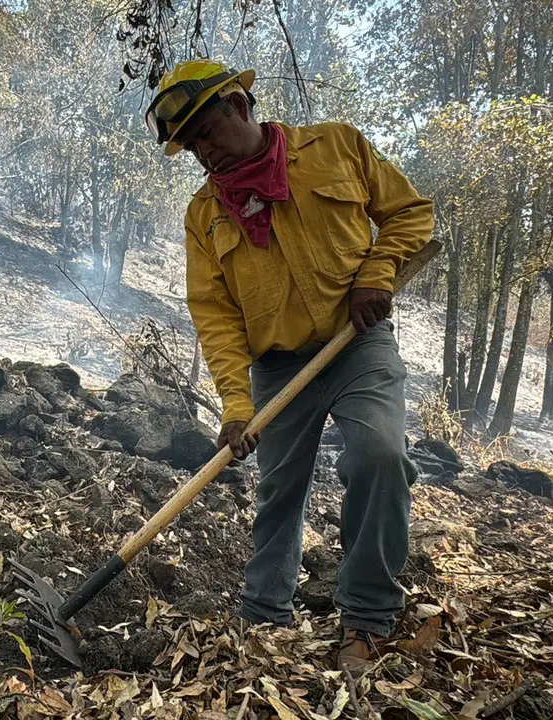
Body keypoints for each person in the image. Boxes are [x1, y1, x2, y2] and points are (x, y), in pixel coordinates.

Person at [145, 59, 434, 674]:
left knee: (380, 455)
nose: (203, 152)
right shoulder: (206, 215)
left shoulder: (336, 147)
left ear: (242, 108)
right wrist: (236, 405)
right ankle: (263, 613)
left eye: (207, 132)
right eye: (191, 143)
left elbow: (410, 213)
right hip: (278, 366)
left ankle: (365, 618)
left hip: (358, 342)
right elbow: (216, 316)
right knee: (280, 488)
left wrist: (376, 274)